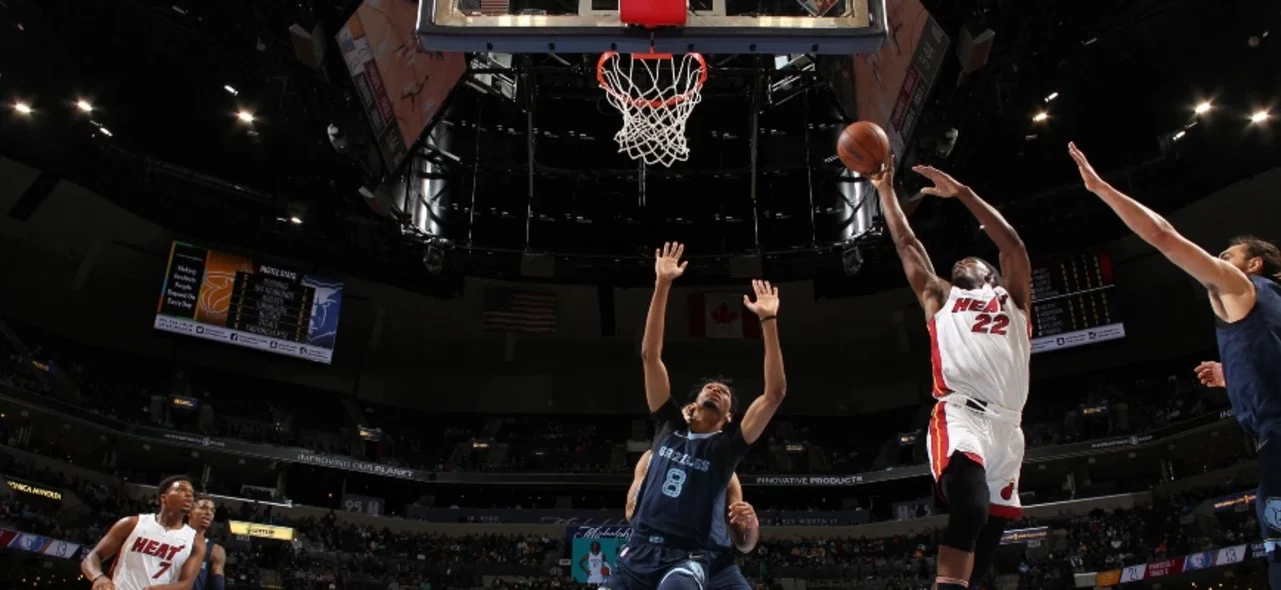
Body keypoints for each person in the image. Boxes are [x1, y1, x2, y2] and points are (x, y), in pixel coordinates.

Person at [1069, 142, 1281, 588]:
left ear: (1253, 265)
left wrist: (1102, 189)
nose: (1218, 264)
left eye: (1227, 258)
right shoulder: (1273, 307)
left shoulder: (1242, 288)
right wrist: (1235, 376)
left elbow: (1164, 235)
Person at [872, 159, 1032, 590]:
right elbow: (907, 244)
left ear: (993, 275)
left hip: (1009, 429)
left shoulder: (1014, 300)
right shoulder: (940, 296)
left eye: (975, 259)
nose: (963, 260)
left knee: (987, 546)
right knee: (972, 508)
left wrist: (963, 193)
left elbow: (1013, 245)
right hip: (961, 415)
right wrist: (885, 189)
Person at [605, 242, 786, 590]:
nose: (716, 388)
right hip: (641, 552)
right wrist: (662, 284)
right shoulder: (668, 426)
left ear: (730, 417)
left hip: (696, 556)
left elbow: (774, 394)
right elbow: (650, 356)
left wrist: (768, 320)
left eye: (725, 393)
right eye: (709, 387)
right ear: (692, 402)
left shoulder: (726, 450)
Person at [82, 475, 208, 590]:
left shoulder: (195, 540)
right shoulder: (132, 523)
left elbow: (186, 584)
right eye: (181, 490)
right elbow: (92, 557)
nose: (189, 495)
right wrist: (98, 577)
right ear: (164, 498)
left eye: (191, 493)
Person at [626, 448, 760, 554]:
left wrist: (751, 524)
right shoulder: (652, 457)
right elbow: (631, 513)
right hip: (660, 550)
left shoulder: (726, 473)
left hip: (712, 558)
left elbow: (744, 546)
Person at [188, 495, 226, 590]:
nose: (208, 513)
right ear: (190, 511)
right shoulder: (172, 538)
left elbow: (218, 586)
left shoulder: (215, 550)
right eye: (203, 508)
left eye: (212, 510)